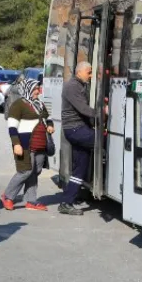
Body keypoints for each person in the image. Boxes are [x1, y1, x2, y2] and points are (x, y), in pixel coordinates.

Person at [0, 78, 53, 212]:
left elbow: (48, 118)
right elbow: (12, 127)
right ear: (28, 89)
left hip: (40, 145)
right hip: (25, 145)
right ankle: (8, 196)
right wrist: (16, 144)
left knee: (35, 172)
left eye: (38, 88)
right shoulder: (18, 104)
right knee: (25, 171)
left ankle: (31, 201)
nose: (38, 91)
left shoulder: (39, 104)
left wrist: (50, 126)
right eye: (35, 88)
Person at [59, 61, 99, 216]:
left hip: (78, 128)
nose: (90, 76)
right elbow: (83, 109)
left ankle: (67, 201)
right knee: (105, 143)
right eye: (89, 72)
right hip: (75, 129)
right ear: (79, 72)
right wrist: (103, 113)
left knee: (80, 168)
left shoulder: (79, 85)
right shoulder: (73, 87)